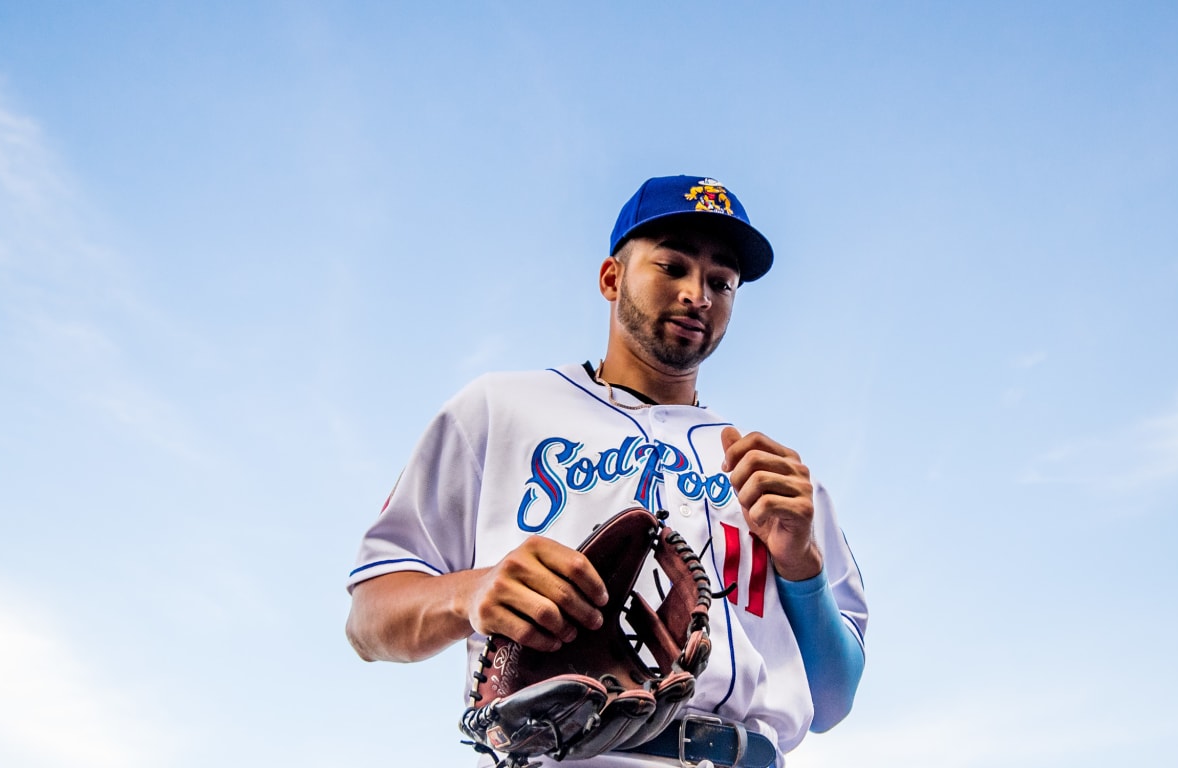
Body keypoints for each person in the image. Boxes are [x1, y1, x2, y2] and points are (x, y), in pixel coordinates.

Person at [345, 175, 868, 768]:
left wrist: (802, 566)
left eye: (721, 282)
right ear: (611, 279)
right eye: (672, 267)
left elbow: (832, 701)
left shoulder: (776, 479)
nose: (698, 294)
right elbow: (369, 619)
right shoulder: (500, 410)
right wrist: (469, 591)